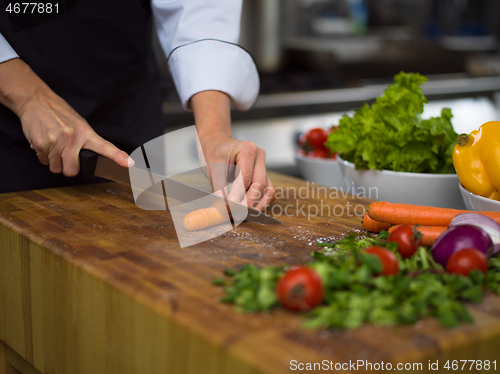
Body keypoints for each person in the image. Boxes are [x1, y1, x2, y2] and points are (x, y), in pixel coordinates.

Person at [0, 0, 275, 212]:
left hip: (129, 114)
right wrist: (28, 97)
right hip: (10, 138)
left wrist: (214, 132)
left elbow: (197, 9)